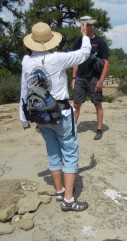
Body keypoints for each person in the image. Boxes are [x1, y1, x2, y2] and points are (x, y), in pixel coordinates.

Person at [19, 22, 91, 212]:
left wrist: (24, 118)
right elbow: (84, 54)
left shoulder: (26, 61)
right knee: (69, 152)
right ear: (51, 40)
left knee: (53, 151)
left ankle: (59, 190)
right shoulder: (58, 58)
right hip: (61, 114)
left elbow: (24, 91)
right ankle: (68, 199)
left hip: (40, 116)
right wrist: (85, 34)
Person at [71, 16, 110, 140]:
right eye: (81, 25)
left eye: (85, 25)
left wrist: (101, 80)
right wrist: (73, 78)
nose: (82, 28)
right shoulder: (78, 41)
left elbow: (107, 63)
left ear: (90, 26)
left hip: (94, 78)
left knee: (97, 103)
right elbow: (76, 60)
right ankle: (72, 129)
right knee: (76, 104)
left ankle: (99, 129)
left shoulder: (99, 42)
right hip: (80, 77)